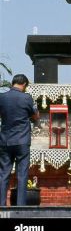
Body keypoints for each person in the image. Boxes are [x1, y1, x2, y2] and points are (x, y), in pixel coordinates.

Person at [0, 74, 39, 206]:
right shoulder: (26, 97)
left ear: (13, 83)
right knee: (22, 175)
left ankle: (1, 205)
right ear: (24, 85)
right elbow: (34, 116)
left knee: (4, 173)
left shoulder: (2, 97)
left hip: (5, 140)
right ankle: (20, 206)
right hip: (22, 140)